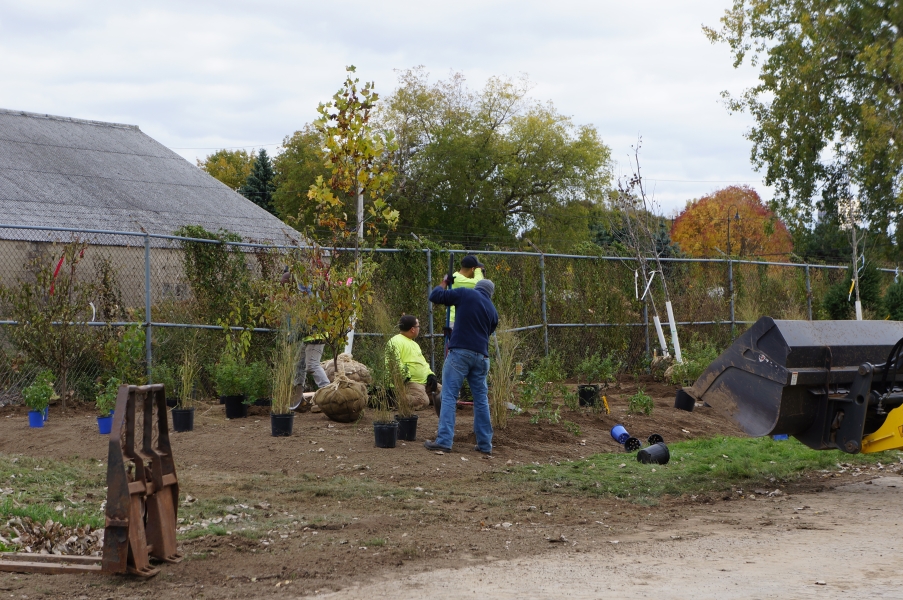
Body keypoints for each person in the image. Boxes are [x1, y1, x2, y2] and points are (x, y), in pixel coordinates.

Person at [425, 278, 499, 455]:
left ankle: (444, 441)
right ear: (490, 293)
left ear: (477, 287)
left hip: (460, 354)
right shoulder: (493, 311)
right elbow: (482, 332)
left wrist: (444, 282)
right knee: (481, 400)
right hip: (481, 357)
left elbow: (435, 296)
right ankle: (485, 445)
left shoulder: (466, 293)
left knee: (449, 395)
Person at [281, 269, 330, 411]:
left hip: (315, 335)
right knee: (299, 365)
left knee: (312, 365)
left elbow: (304, 324)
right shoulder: (303, 293)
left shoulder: (306, 297)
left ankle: (327, 393)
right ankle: (298, 397)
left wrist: (293, 337)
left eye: (285, 285)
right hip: (307, 337)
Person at [386, 315, 440, 410]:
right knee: (423, 401)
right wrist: (404, 376)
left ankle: (424, 396)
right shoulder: (395, 341)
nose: (419, 328)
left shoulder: (414, 344)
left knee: (446, 393)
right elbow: (393, 362)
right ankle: (391, 400)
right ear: (412, 329)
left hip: (424, 382)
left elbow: (422, 363)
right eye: (418, 326)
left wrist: (430, 375)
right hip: (411, 382)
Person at [448, 255, 485, 329]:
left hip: (460, 319)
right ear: (472, 269)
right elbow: (478, 283)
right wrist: (478, 271)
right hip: (455, 320)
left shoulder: (461, 279)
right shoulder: (456, 278)